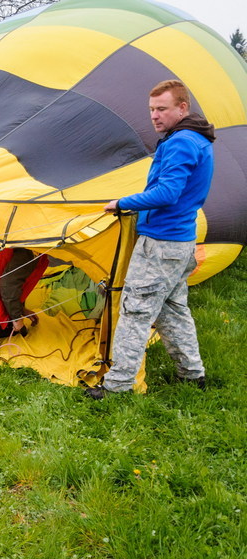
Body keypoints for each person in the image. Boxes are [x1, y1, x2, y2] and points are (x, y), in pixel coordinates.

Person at [87, 79, 213, 399]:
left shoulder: (181, 142)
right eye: (151, 110)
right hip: (181, 242)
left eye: (162, 109)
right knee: (172, 310)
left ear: (182, 108)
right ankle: (193, 374)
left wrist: (121, 203)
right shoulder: (198, 139)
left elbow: (167, 193)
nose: (154, 116)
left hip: (161, 243)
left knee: (135, 312)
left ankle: (116, 387)